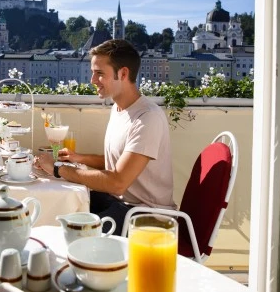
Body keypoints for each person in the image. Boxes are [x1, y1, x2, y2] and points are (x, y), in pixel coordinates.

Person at [35, 39, 176, 235]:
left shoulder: (147, 118)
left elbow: (117, 182)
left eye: (99, 73)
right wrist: (79, 158)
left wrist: (59, 169)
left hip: (145, 220)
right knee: (57, 211)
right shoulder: (118, 109)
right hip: (121, 206)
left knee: (68, 232)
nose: (92, 80)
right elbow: (119, 164)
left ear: (123, 73)